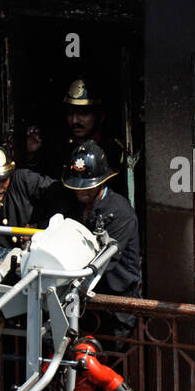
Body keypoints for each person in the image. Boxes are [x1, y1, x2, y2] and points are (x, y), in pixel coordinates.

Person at [43, 140, 141, 339]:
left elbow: (104, 261)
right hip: (81, 308)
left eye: (88, 186)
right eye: (76, 187)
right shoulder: (74, 205)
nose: (81, 191)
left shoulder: (120, 212)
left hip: (115, 309)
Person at [24, 78, 128, 192]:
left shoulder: (114, 151)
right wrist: (32, 155)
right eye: (70, 114)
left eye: (83, 114)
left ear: (100, 116)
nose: (74, 121)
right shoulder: (58, 144)